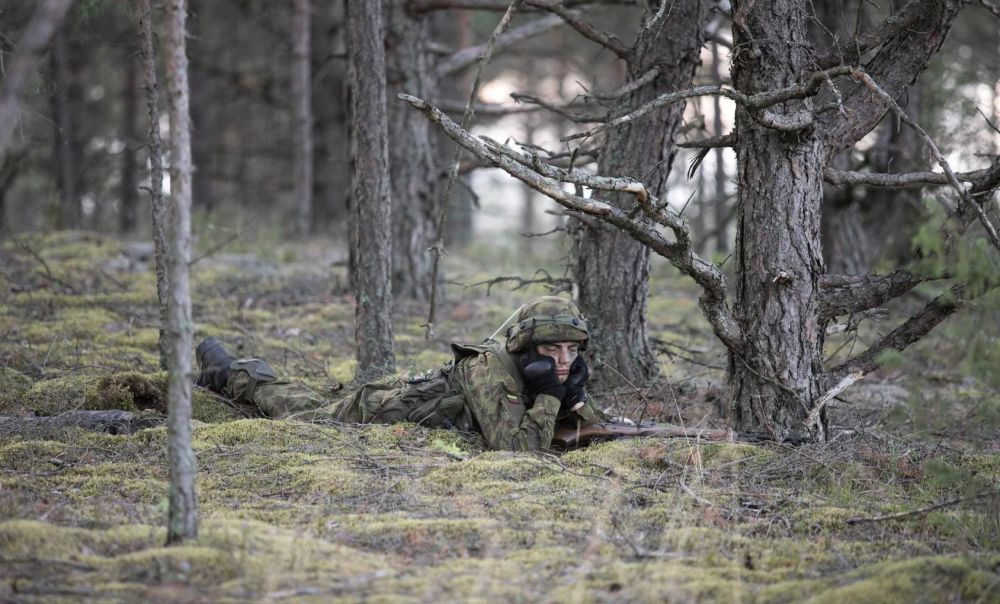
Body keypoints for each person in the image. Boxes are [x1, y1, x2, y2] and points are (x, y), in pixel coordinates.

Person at [193, 295, 606, 451]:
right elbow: (516, 449)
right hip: (380, 409)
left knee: (308, 401)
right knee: (296, 414)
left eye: (571, 349)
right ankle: (231, 372)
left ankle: (231, 369)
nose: (564, 359)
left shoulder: (546, 371)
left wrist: (572, 397)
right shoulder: (490, 369)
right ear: (528, 350)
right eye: (552, 349)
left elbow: (588, 426)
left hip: (410, 395)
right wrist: (553, 395)